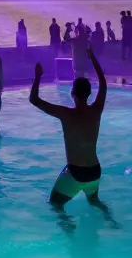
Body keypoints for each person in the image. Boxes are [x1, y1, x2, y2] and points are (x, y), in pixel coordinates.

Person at [29, 48, 113, 219]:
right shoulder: (96, 110)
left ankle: (69, 229)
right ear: (89, 93)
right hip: (95, 171)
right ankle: (111, 221)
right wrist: (93, 58)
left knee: (55, 204)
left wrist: (38, 76)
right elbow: (103, 82)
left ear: (72, 93)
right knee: (94, 201)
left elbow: (34, 100)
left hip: (77, 172)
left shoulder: (66, 114)